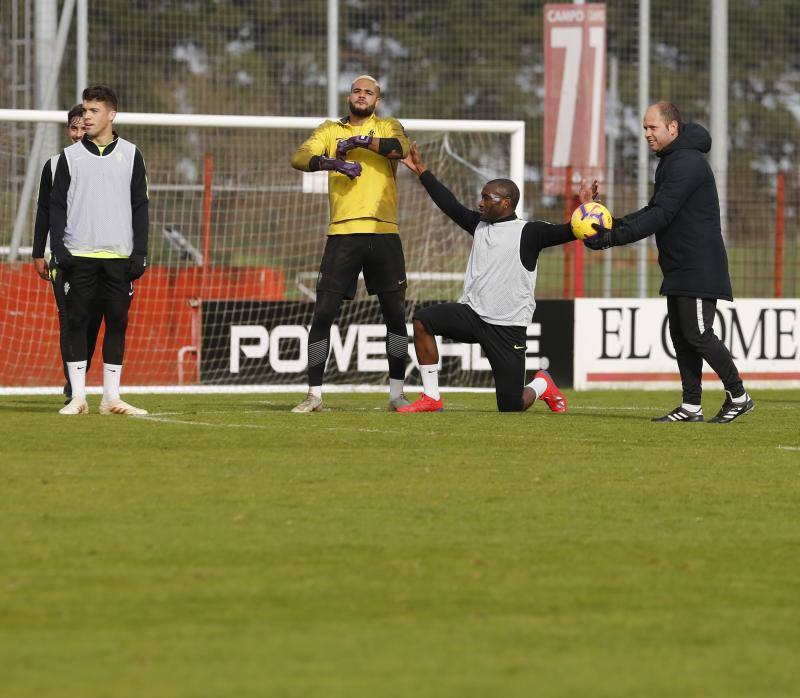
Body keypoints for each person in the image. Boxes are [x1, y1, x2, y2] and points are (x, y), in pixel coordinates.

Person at [584, 101, 753, 424]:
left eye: (652, 128)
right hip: (679, 265)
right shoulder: (671, 161)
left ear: (672, 128)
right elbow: (653, 210)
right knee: (682, 335)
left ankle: (739, 396)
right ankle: (691, 406)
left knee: (699, 334)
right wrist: (610, 225)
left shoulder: (686, 162)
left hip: (699, 265)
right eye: (645, 128)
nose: (646, 134)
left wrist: (608, 239)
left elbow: (661, 215)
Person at [395, 143, 591, 413]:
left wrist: (587, 208)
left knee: (511, 406)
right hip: (472, 314)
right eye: (482, 197)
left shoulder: (530, 232)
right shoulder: (479, 224)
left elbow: (570, 230)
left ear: (506, 203)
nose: (481, 202)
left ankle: (542, 384)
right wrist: (422, 170)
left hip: (508, 328)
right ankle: (432, 397)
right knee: (422, 321)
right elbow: (449, 203)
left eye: (488, 198)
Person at [290, 75, 411, 413]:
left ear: (378, 100)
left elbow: (402, 150)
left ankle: (396, 394)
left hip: (384, 232)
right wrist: (332, 162)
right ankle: (314, 394)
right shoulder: (330, 130)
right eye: (357, 90)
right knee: (323, 313)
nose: (362, 95)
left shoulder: (388, 126)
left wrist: (360, 142)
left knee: (395, 316)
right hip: (342, 234)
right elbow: (299, 157)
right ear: (349, 96)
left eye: (369, 92)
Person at [49, 85, 149, 416]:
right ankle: (78, 397)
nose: (87, 116)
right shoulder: (69, 157)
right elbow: (57, 206)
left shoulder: (132, 154)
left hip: (119, 258)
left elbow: (140, 206)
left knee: (117, 323)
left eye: (94, 111)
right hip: (79, 257)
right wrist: (59, 248)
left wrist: (140, 252)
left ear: (111, 114)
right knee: (77, 322)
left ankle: (112, 397)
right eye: (85, 110)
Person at [32, 104, 104, 404]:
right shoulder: (53, 165)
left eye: (82, 128)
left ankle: (79, 373)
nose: (77, 134)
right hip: (64, 258)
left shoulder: (106, 163)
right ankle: (75, 386)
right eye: (72, 128)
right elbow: (44, 210)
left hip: (101, 256)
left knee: (92, 321)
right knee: (70, 319)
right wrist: (39, 251)